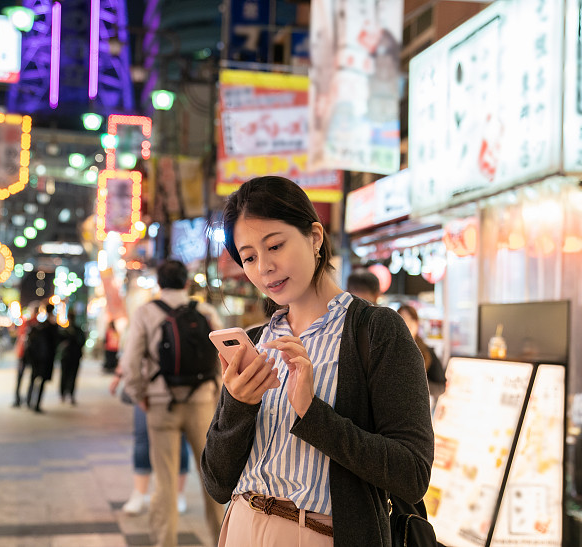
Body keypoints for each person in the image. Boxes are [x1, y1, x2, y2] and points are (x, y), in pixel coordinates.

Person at [201, 176, 434, 546]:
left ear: (314, 236)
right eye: (248, 257)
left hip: (319, 534)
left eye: (275, 245)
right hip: (240, 527)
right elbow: (216, 482)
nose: (264, 267)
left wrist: (312, 414)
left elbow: (412, 473)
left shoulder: (376, 331)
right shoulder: (260, 341)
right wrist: (238, 404)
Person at [119, 259, 226, 547]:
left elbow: (130, 361)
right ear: (187, 282)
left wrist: (140, 393)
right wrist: (215, 393)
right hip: (202, 402)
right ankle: (223, 540)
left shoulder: (146, 313)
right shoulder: (204, 311)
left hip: (160, 403)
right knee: (211, 478)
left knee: (164, 483)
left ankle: (164, 542)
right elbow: (224, 356)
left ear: (158, 283)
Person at [109, 367, 193, 516]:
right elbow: (132, 350)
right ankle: (139, 494)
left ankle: (177, 494)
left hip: (182, 384)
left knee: (179, 439)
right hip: (148, 385)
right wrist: (120, 374)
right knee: (143, 438)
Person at [397, 305, 446, 399]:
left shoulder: (427, 351)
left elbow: (441, 387)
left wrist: (418, 384)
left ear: (417, 323)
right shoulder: (390, 351)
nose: (407, 323)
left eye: (411, 319)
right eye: (403, 319)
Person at [25, 303, 60, 413]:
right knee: (41, 381)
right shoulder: (51, 326)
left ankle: (29, 400)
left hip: (37, 357)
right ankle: (36, 403)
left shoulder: (39, 325)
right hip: (45, 358)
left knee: (33, 378)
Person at [59, 309, 86, 405]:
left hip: (73, 356)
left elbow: (82, 341)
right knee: (66, 375)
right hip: (68, 356)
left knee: (70, 375)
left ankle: (68, 394)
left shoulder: (75, 330)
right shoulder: (65, 330)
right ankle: (65, 393)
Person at [13, 304, 38, 407]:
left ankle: (22, 399)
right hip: (27, 354)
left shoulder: (29, 323)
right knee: (28, 378)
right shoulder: (31, 323)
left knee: (22, 377)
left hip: (26, 354)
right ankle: (26, 399)